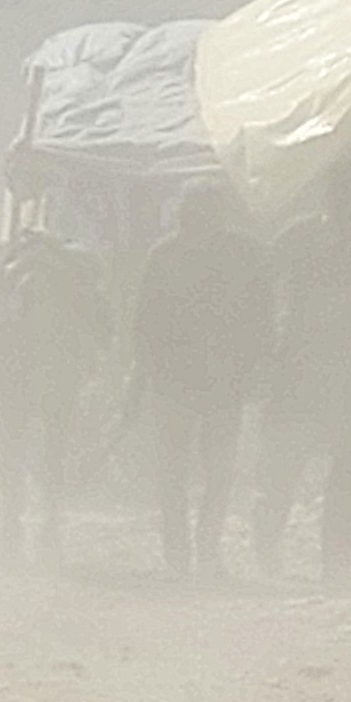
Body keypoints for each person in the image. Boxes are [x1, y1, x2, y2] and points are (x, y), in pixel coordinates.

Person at [254, 158, 351, 583]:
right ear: (330, 194)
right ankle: (267, 552)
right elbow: (261, 288)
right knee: (283, 467)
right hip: (300, 367)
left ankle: (337, 563)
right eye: (345, 191)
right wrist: (267, 346)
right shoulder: (300, 236)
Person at [128, 180, 270, 577]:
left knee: (217, 473)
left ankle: (206, 550)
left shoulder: (243, 254)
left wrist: (256, 366)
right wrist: (145, 372)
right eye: (196, 211)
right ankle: (179, 553)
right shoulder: (166, 255)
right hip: (176, 382)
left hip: (223, 380)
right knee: (175, 473)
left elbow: (261, 314)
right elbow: (144, 320)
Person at [0, 205, 113, 562]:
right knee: (54, 447)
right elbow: (101, 324)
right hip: (60, 373)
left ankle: (11, 527)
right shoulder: (71, 271)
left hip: (6, 371)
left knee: (9, 446)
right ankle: (49, 529)